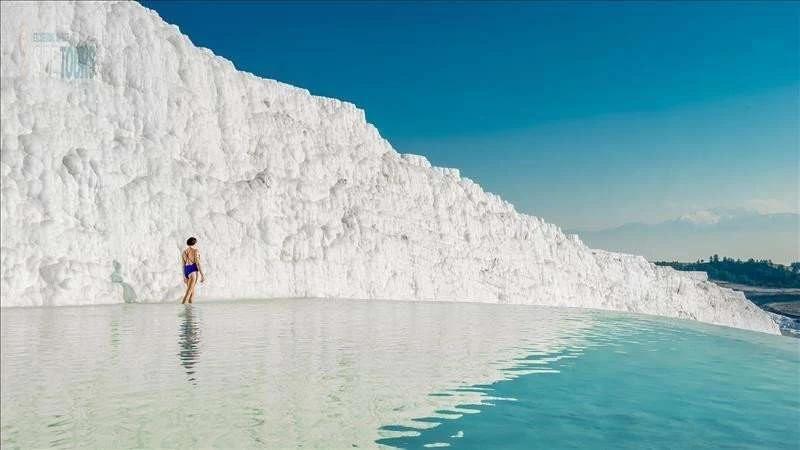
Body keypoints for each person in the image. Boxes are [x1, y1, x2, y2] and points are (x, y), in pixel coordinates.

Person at [181, 237, 205, 304]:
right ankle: (182, 310)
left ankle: (190, 311)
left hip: (186, 271)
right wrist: (202, 275)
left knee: (191, 292)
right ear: (194, 243)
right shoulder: (195, 251)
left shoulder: (184, 252)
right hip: (193, 271)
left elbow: (183, 265)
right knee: (188, 293)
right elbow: (198, 264)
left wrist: (184, 276)